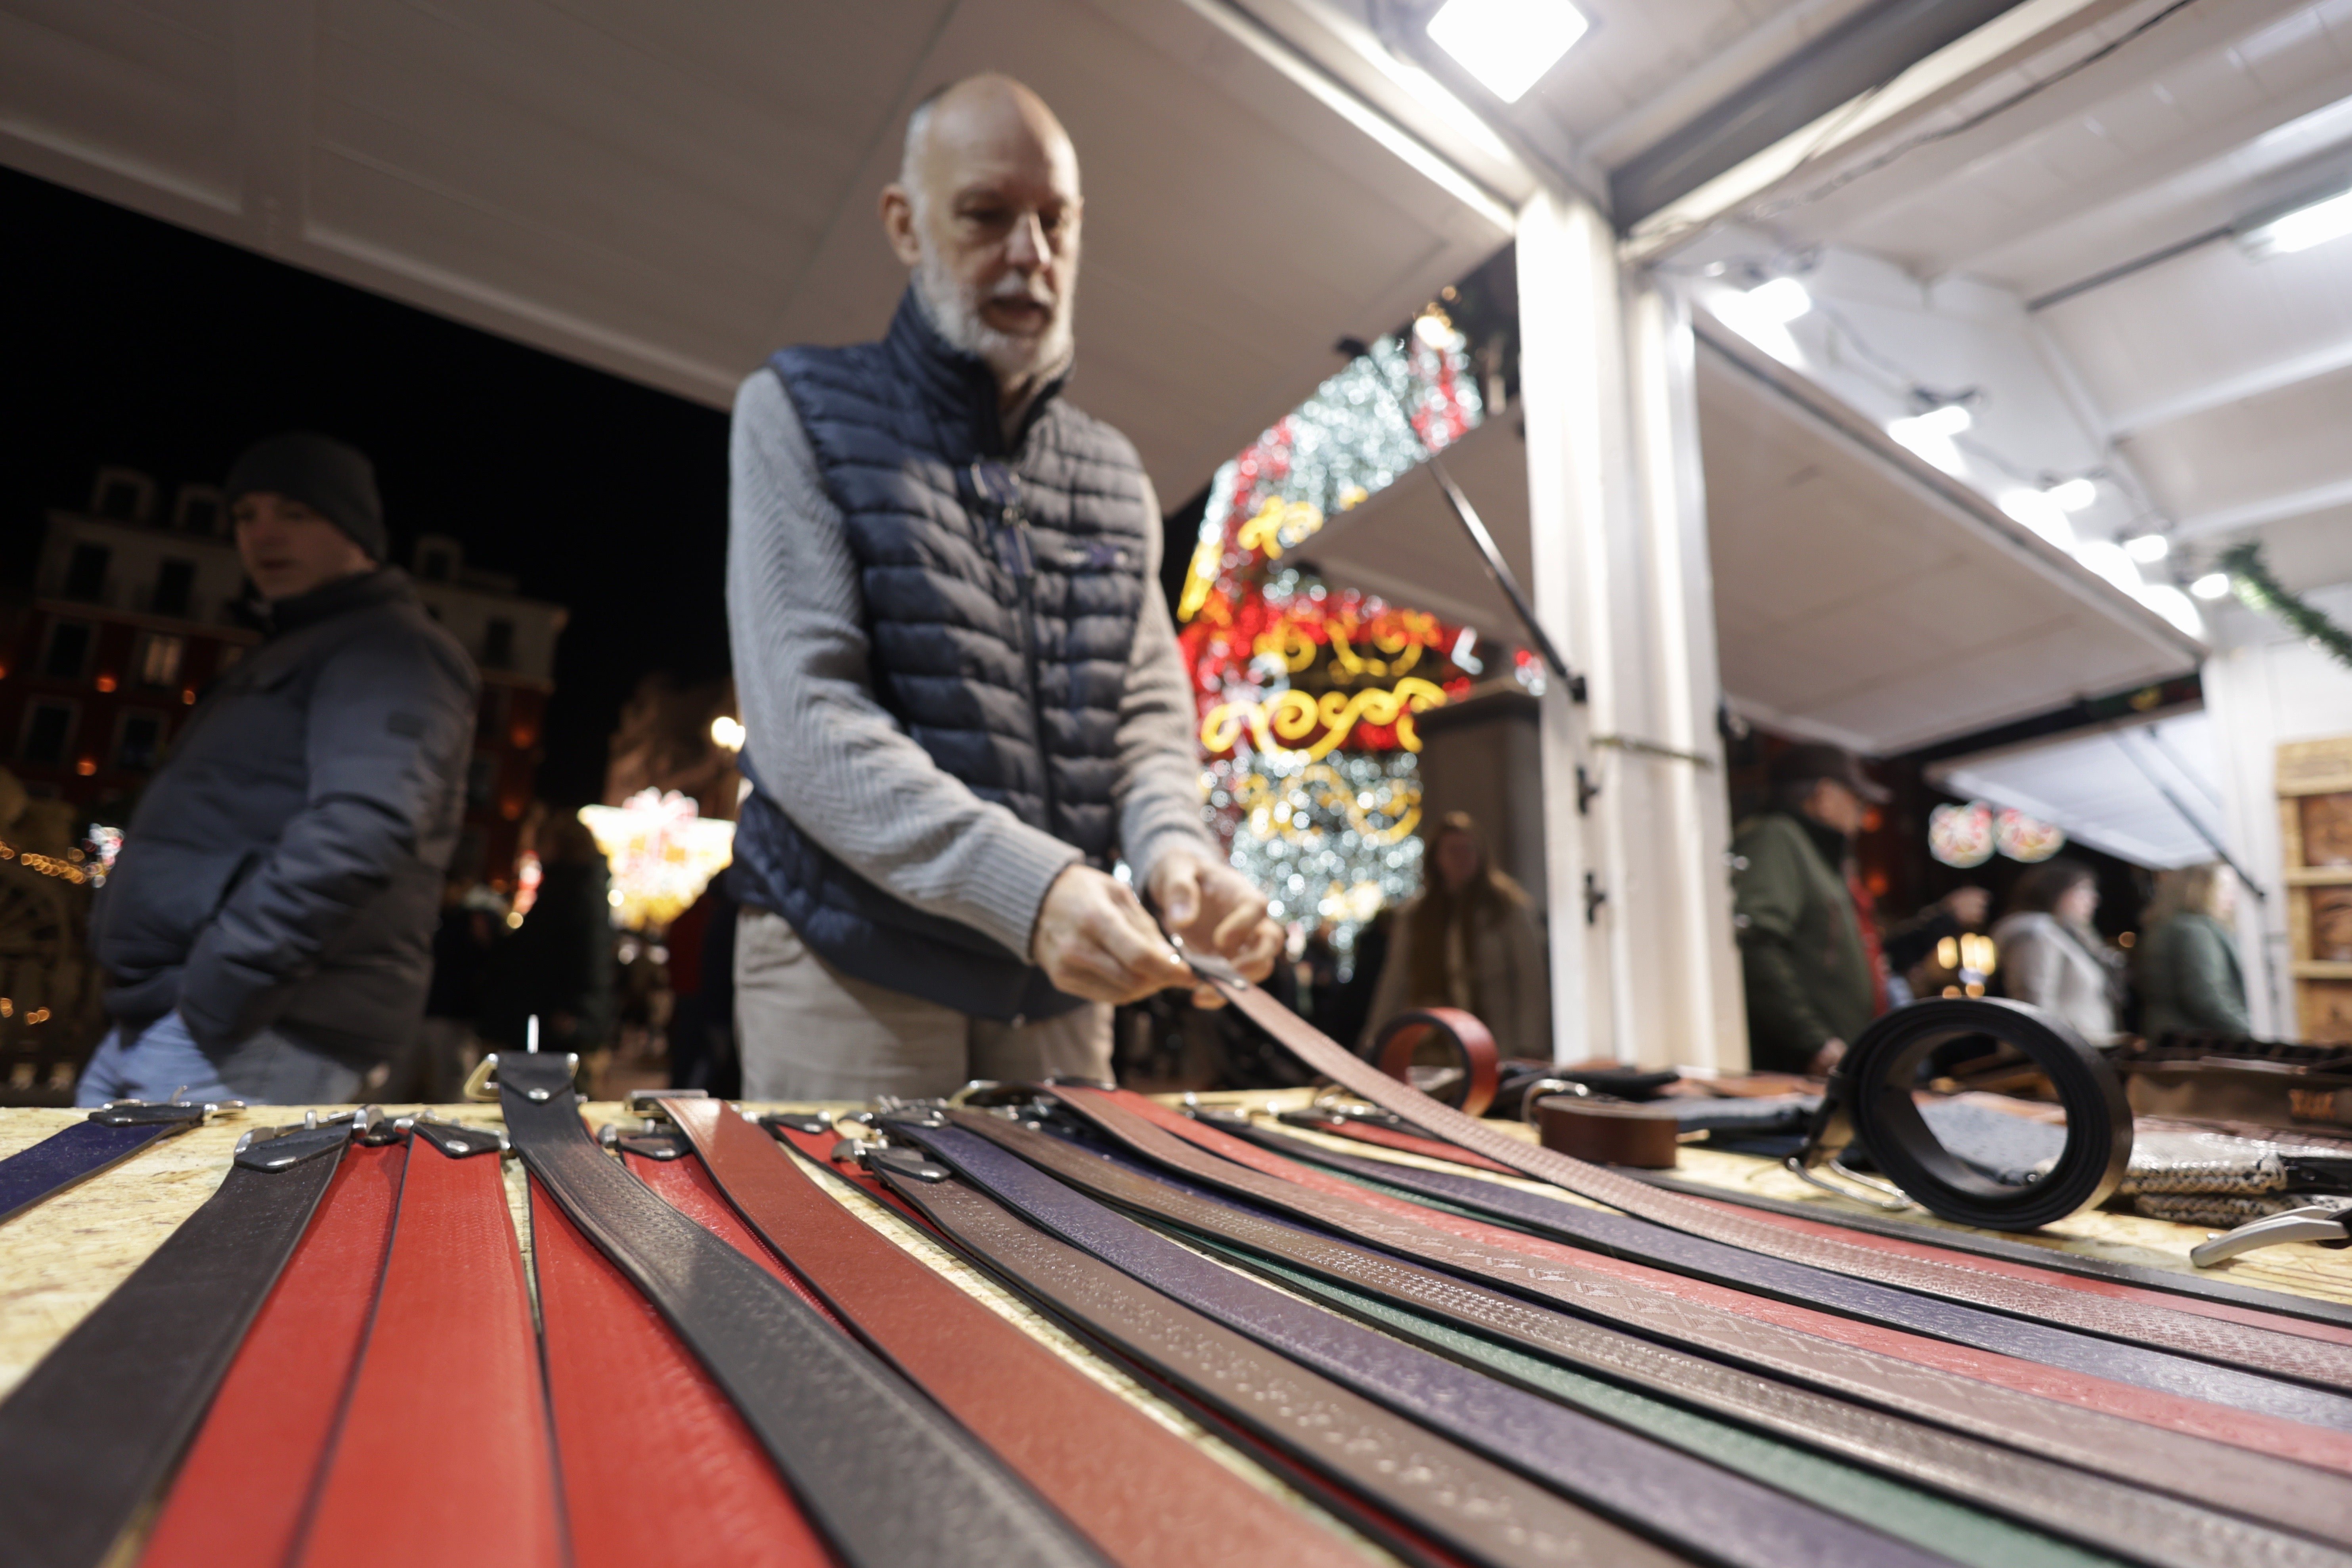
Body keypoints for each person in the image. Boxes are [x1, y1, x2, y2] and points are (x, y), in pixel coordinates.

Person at [724, 75, 1281, 1099]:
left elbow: (1148, 721)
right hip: (853, 968)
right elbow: (805, 719)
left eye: (1054, 220)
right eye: (986, 214)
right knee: (849, 1260)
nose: (1030, 253)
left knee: (1061, 1257)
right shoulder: (794, 409)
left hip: (1057, 992)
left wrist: (1177, 861)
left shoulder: (1112, 470)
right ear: (903, 222)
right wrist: (1032, 889)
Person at [80, 433, 476, 1105]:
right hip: (183, 1020)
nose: (263, 534)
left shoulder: (392, 647)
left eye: (295, 513)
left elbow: (362, 829)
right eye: (245, 515)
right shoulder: (301, 645)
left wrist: (212, 998)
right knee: (76, 1212)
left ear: (354, 529)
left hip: (251, 1030)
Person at [1731, 744, 1983, 1076]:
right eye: (1857, 801)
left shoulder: (1816, 854)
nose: (1863, 817)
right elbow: (1756, 942)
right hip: (1808, 1070)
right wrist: (1813, 1042)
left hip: (1831, 1064)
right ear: (1824, 795)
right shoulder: (1776, 837)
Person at [1364, 813, 1551, 1059]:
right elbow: (1395, 982)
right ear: (1436, 858)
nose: (1461, 858)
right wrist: (1375, 1042)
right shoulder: (1417, 915)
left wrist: (1530, 1044)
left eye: (1468, 850)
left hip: (1497, 1040)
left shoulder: (1507, 907)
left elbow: (1530, 981)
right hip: (1434, 1042)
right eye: (1452, 851)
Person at [479, 810, 616, 1064]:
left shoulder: (574, 888)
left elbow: (584, 953)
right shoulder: (575, 884)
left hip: (558, 1016)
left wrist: (577, 1012)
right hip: (555, 1011)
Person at [1990, 859, 2123, 1043]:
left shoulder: (2065, 935)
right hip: (2057, 1057)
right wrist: (2060, 1053)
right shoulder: (2035, 933)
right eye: (2083, 889)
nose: (2094, 899)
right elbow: (2035, 1000)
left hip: (2077, 1049)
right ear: (2056, 891)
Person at [2138, 862, 2251, 1040]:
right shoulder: (2194, 931)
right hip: (2197, 1042)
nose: (2232, 898)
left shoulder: (2167, 925)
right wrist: (2250, 1030)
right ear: (2199, 889)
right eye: (2224, 888)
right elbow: (2208, 998)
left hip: (2171, 1037)